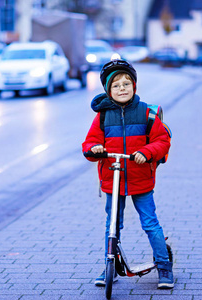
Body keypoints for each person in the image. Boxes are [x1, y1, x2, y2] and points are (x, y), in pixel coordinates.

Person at [82, 59, 173, 289]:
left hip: (140, 177)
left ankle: (164, 266)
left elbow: (162, 140)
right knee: (112, 225)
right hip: (113, 179)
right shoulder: (103, 116)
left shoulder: (146, 114)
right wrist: (95, 149)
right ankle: (109, 265)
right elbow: (90, 142)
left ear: (134, 86)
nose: (122, 89)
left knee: (150, 223)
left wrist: (146, 151)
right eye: (116, 85)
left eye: (126, 84)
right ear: (108, 90)